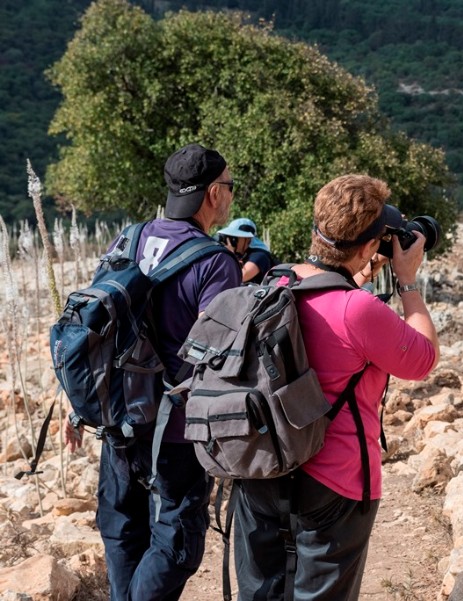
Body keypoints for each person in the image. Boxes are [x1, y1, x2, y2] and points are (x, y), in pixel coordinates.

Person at [232, 174, 440, 600]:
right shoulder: (358, 309)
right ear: (368, 245)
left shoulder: (276, 282)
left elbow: (316, 313)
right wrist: (408, 283)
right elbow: (422, 359)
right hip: (335, 481)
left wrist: (355, 276)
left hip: (262, 465)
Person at [66, 143, 242, 600]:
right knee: (176, 540)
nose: (230, 195)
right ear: (211, 195)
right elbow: (221, 357)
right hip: (176, 430)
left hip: (117, 416)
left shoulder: (129, 238)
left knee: (123, 529)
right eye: (229, 186)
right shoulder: (214, 263)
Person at [216, 217, 276, 284]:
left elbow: (240, 277)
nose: (232, 241)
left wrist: (230, 255)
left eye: (235, 238)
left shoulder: (259, 255)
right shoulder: (242, 255)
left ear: (247, 239)